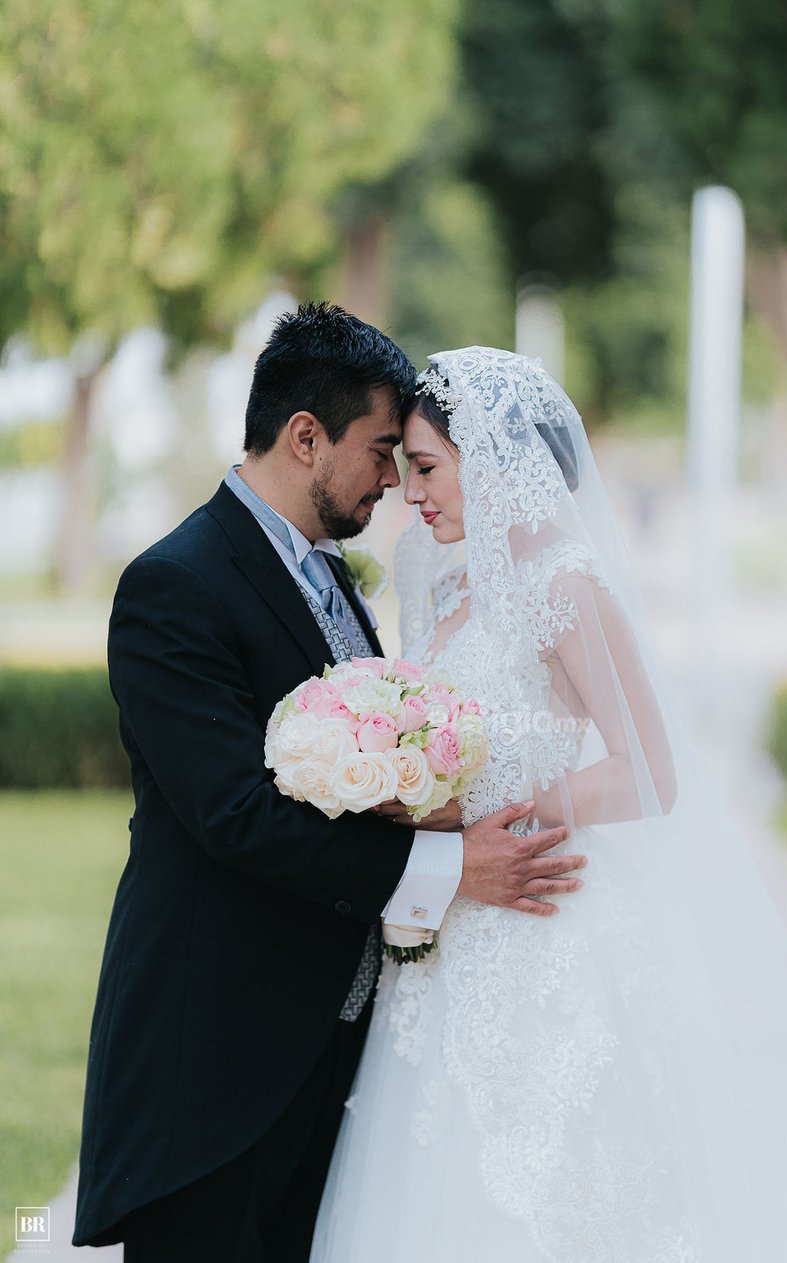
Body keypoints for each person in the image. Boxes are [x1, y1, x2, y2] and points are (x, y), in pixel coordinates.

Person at [72, 311, 587, 1261]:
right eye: (382, 451)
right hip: (217, 1067)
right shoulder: (175, 586)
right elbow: (236, 816)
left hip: (332, 1061)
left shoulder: (339, 580)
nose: (393, 480)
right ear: (306, 436)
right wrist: (448, 866)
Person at [310, 346, 787, 1262]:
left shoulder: (566, 584)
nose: (413, 493)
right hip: (450, 921)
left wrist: (497, 805)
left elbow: (648, 770)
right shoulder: (438, 583)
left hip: (541, 923)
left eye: (430, 469)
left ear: (496, 463)